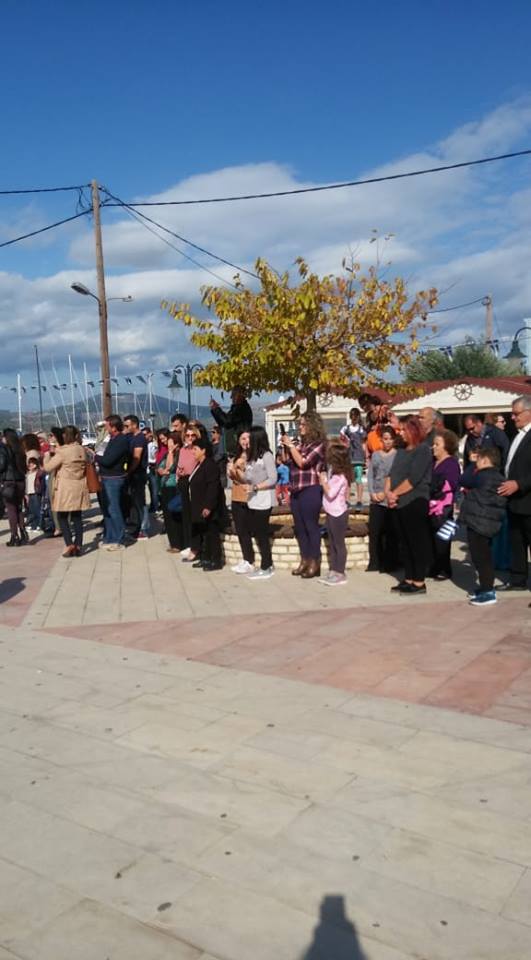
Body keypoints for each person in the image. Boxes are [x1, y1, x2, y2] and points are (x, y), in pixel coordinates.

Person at [387, 415, 433, 594]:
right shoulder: (401, 450)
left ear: (414, 430)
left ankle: (419, 582)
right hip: (398, 502)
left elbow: (414, 479)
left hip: (415, 501)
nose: (401, 433)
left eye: (404, 430)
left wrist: (394, 493)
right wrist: (389, 493)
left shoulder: (422, 450)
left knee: (416, 542)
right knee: (404, 543)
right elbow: (392, 474)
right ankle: (408, 578)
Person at [280, 411, 326, 579]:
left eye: (303, 424)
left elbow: (303, 462)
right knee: (300, 528)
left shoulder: (319, 444)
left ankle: (315, 561)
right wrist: (287, 446)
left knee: (311, 526)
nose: (300, 427)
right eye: (299, 424)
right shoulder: (300, 444)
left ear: (312, 425)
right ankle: (305, 559)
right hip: (295, 489)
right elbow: (287, 461)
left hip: (310, 488)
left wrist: (292, 447)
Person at [460, 446, 507, 605]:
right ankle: (485, 587)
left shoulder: (484, 475)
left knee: (481, 558)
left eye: (478, 459)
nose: (476, 461)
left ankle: (488, 591)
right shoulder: (497, 476)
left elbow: (464, 479)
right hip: (485, 521)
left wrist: (472, 464)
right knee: (482, 556)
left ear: (485, 461)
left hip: (480, 522)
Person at [497, 395, 531, 601]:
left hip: (528, 499)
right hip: (514, 501)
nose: (512, 417)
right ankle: (518, 579)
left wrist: (519, 484)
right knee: (516, 542)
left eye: (516, 413)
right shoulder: (516, 434)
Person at [43, 425, 90, 557]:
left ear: (65, 436)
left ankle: (69, 544)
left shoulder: (63, 452)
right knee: (77, 517)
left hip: (65, 487)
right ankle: (79, 544)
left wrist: (48, 455)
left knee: (62, 516)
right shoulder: (81, 449)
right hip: (79, 485)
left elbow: (48, 468)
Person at [244, 426, 277, 580]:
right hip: (253, 499)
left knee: (262, 533)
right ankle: (266, 562)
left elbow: (273, 478)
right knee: (256, 531)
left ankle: (267, 565)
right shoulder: (251, 457)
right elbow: (248, 477)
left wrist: (257, 486)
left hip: (264, 498)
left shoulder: (267, 456)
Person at [189, 436, 226, 570]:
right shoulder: (200, 465)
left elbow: (213, 487)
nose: (193, 452)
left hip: (209, 507)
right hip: (199, 505)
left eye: (195, 449)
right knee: (204, 533)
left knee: (212, 534)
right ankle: (205, 557)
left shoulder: (210, 465)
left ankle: (216, 560)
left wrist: (208, 506)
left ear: (203, 450)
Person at [319, 438, 352, 586]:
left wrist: (323, 482)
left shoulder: (341, 477)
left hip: (338, 513)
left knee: (339, 543)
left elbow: (331, 493)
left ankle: (340, 572)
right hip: (331, 512)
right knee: (331, 542)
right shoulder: (334, 475)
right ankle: (334, 569)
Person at [428, 429, 461, 580]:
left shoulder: (451, 463)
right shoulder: (433, 462)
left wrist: (438, 488)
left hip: (444, 507)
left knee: (443, 539)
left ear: (446, 446)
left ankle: (445, 569)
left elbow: (452, 484)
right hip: (430, 505)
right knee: (432, 539)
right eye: (433, 444)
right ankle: (434, 567)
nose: (433, 447)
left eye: (437, 444)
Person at [366, 425, 398, 573]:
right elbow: (371, 475)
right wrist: (372, 493)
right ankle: (374, 562)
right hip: (376, 499)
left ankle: (389, 563)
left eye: (390, 439)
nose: (387, 442)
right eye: (385, 439)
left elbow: (395, 478)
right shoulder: (376, 455)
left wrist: (385, 494)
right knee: (375, 532)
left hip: (389, 499)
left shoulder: (397, 455)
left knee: (390, 533)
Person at [96, 414, 130, 551]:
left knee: (114, 509)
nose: (105, 428)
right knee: (106, 509)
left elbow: (108, 460)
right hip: (105, 478)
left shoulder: (121, 440)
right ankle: (109, 536)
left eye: (107, 425)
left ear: (114, 427)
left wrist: (96, 456)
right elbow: (103, 454)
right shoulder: (111, 438)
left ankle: (119, 538)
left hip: (114, 478)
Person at [227, 430, 253, 574]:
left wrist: (236, 471)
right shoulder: (238, 456)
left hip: (246, 496)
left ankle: (249, 560)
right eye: (242, 438)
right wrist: (231, 471)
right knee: (240, 529)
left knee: (245, 529)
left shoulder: (252, 457)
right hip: (236, 495)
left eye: (247, 438)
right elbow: (235, 478)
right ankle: (245, 558)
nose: (245, 442)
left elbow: (248, 479)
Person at [177, 422, 202, 560]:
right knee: (185, 515)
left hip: (193, 483)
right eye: (187, 435)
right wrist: (178, 473)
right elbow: (180, 465)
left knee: (193, 516)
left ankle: (195, 546)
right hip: (183, 482)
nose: (190, 437)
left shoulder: (197, 450)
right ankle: (188, 544)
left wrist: (183, 470)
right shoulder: (182, 450)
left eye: (193, 435)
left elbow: (193, 466)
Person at [0, 428, 28, 546]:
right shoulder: (20, 450)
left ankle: (14, 535)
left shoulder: (4, 450)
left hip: (9, 481)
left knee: (11, 509)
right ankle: (23, 532)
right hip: (21, 481)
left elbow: (1, 465)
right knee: (19, 508)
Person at [123, 414, 148, 540]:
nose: (125, 428)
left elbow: (137, 458)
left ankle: (141, 529)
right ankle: (135, 526)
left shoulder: (139, 439)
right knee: (133, 502)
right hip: (133, 474)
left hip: (138, 474)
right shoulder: (130, 437)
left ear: (134, 425)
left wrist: (129, 471)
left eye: (127, 425)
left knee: (138, 502)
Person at [210, 386, 253, 456]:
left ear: (241, 395)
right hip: (232, 447)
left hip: (239, 447)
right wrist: (214, 410)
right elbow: (223, 423)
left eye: (233, 395)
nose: (231, 398)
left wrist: (217, 409)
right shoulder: (236, 408)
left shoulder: (242, 408)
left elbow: (227, 421)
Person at [158, 431, 182, 553]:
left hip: (173, 486)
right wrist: (161, 470)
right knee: (167, 516)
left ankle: (177, 543)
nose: (168, 444)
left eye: (171, 442)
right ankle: (173, 542)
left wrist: (172, 452)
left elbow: (171, 467)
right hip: (165, 486)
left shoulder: (177, 454)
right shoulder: (166, 453)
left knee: (173, 515)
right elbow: (161, 467)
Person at [340, 408, 366, 508]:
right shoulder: (345, 429)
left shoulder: (361, 429)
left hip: (358, 457)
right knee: (349, 480)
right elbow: (342, 440)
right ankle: (347, 500)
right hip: (349, 457)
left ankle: (359, 500)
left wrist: (366, 457)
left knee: (359, 479)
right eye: (352, 416)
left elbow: (364, 444)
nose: (354, 418)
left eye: (355, 416)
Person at [25, 456, 44, 530]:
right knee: (31, 510)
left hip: (36, 493)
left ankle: (40, 525)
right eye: (29, 464)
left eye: (32, 464)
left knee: (37, 510)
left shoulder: (38, 473)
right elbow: (26, 484)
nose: (30, 465)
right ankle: (33, 525)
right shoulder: (27, 474)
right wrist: (26, 494)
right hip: (29, 494)